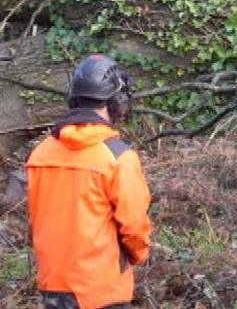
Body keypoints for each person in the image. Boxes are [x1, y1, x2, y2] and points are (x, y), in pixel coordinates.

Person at [25, 54, 153, 309]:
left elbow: (36, 220)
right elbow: (134, 226)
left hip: (54, 287)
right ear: (117, 102)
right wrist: (137, 255)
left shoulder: (41, 153)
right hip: (102, 289)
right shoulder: (118, 156)